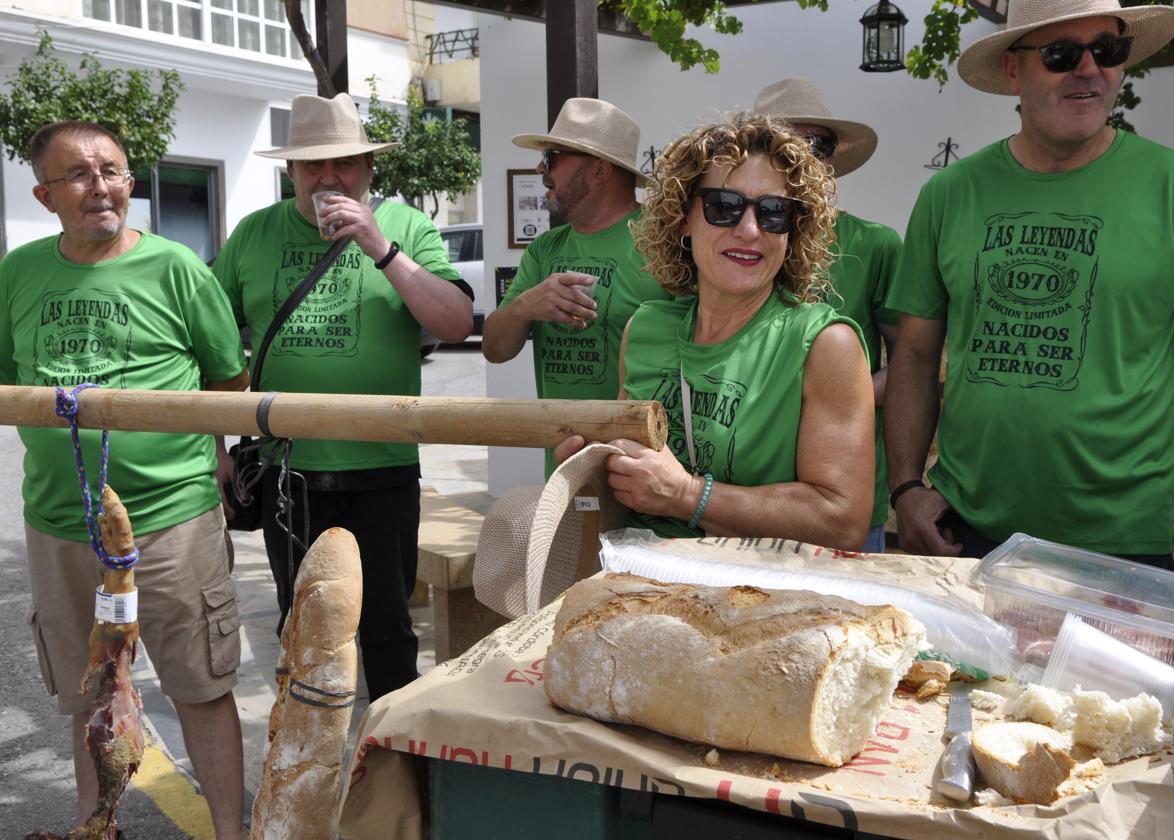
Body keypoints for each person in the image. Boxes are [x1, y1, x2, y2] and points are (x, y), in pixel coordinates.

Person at [0, 121, 247, 839]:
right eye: (77, 174)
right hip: (57, 523)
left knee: (200, 685)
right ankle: (95, 827)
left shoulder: (177, 268)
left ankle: (231, 832)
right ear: (46, 195)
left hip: (171, 521)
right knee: (86, 694)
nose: (99, 186)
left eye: (111, 170)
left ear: (131, 183)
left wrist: (217, 451)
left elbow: (227, 378)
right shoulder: (18, 272)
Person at [885, 0, 1174, 566]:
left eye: (1107, 49)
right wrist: (906, 489)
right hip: (965, 533)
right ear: (1013, 70)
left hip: (1122, 547)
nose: (1088, 68)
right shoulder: (950, 194)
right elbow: (912, 355)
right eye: (1060, 53)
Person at [212, 93, 473, 701]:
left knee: (388, 632)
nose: (330, 177)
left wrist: (380, 248)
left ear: (368, 168)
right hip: (287, 472)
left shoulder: (405, 227)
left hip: (382, 470)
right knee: (302, 632)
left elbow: (458, 321)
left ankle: (390, 779)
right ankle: (305, 772)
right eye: (313, 165)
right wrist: (215, 448)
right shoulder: (255, 234)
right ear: (292, 173)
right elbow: (205, 347)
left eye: (345, 163)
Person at [557, 114, 876, 548]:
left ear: (793, 231)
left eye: (774, 212)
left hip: (764, 603)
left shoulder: (825, 344)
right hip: (646, 593)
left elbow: (843, 521)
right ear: (684, 219)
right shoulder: (645, 329)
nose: (749, 230)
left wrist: (687, 496)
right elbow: (632, 489)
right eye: (723, 206)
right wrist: (593, 472)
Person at [482, 97, 672, 475]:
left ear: (600, 170)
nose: (540, 167)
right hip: (563, 469)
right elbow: (495, 349)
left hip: (648, 469)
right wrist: (525, 306)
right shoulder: (545, 248)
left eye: (552, 156)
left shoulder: (665, 242)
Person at [754, 77, 902, 553]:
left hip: (848, 491)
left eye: (817, 143)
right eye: (784, 144)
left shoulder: (875, 245)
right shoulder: (732, 243)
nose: (803, 157)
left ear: (833, 156)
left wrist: (830, 398)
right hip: (745, 484)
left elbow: (912, 366)